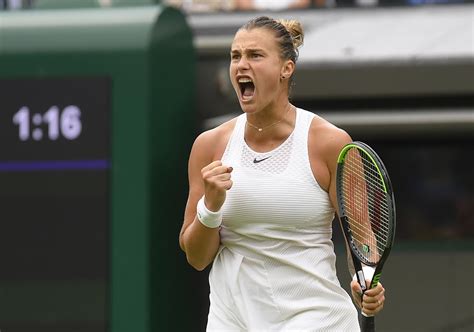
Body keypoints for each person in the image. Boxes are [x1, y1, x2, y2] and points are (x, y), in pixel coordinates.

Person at [179, 16, 386, 331]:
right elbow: (196, 257)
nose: (241, 65)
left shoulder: (329, 142)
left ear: (286, 68)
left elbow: (361, 238)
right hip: (232, 320)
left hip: (316, 320)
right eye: (236, 56)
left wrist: (364, 280)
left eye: (255, 55)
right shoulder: (209, 146)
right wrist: (210, 205)